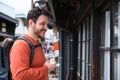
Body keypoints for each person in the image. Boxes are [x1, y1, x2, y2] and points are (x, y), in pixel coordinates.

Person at [10, 7, 56, 80]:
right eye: (42, 24)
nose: (46, 28)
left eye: (46, 24)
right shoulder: (21, 45)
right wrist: (46, 68)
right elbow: (20, 76)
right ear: (31, 23)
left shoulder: (36, 43)